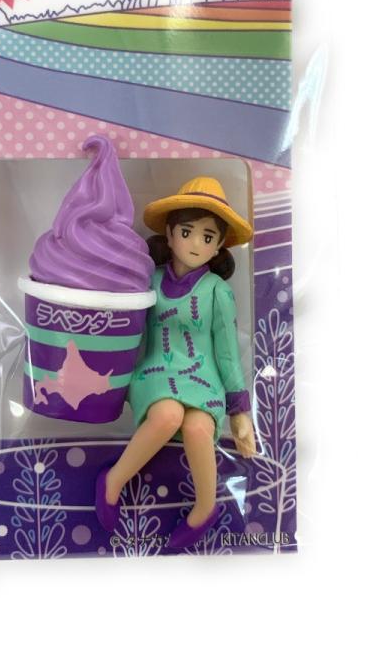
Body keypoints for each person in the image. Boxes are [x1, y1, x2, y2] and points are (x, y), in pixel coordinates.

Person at [95, 176, 257, 548]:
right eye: (187, 232)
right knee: (168, 415)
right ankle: (113, 480)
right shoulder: (147, 281)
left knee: (199, 429)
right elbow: (124, 329)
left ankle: (205, 508)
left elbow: (227, 352)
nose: (196, 244)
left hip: (203, 377)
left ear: (218, 247)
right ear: (169, 236)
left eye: (208, 237)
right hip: (155, 371)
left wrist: (239, 410)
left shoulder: (218, 292)